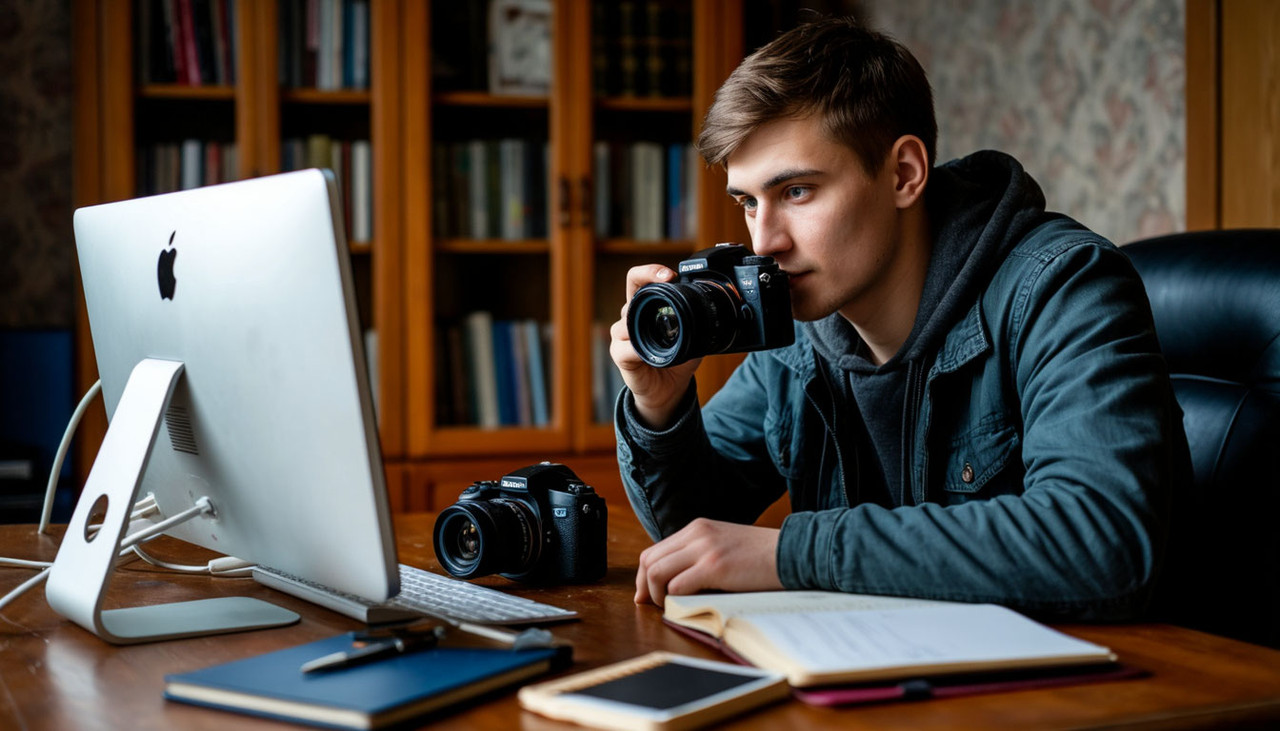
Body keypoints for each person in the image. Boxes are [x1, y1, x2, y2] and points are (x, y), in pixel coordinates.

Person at [609, 17, 1190, 621]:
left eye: (798, 192)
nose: (763, 243)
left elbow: (1099, 544)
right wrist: (661, 406)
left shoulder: (1063, 287)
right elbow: (694, 540)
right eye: (749, 202)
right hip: (893, 676)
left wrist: (796, 553)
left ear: (904, 173)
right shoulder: (802, 331)